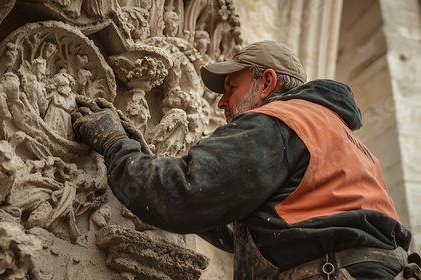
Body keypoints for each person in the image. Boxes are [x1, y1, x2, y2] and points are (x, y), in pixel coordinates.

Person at [71, 41, 418, 279]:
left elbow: (183, 195)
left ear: (266, 82)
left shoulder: (278, 121)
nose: (222, 103)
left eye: (231, 88)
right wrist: (145, 157)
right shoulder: (345, 139)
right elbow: (254, 221)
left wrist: (116, 144)